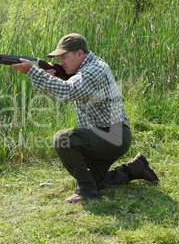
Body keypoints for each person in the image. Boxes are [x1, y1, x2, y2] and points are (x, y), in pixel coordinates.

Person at [11, 33, 159, 203]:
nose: (61, 63)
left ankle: (87, 193)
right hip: (104, 136)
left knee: (62, 139)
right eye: (59, 59)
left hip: (112, 136)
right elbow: (66, 90)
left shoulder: (95, 70)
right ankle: (135, 169)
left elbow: (67, 92)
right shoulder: (84, 70)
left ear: (79, 53)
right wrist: (52, 76)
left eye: (64, 57)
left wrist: (32, 71)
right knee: (94, 180)